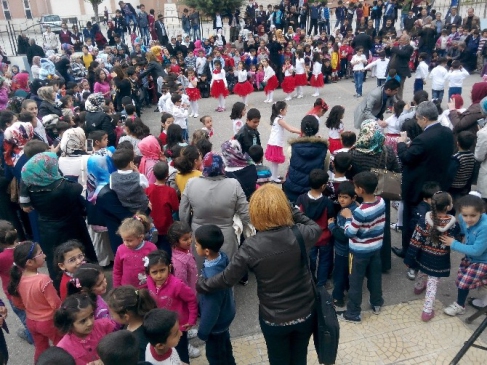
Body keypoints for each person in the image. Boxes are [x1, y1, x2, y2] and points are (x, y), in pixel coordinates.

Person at [197, 184, 320, 364]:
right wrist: (292, 210)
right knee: (300, 357)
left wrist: (202, 284)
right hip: (305, 312)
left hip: (274, 319)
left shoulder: (251, 246)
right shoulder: (300, 233)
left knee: (278, 360)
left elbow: (227, 279)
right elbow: (314, 227)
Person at [20, 152, 96, 281]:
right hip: (72, 226)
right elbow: (78, 188)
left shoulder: (30, 184)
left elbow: (25, 204)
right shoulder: (64, 186)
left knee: (56, 258)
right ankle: (88, 280)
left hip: (48, 229)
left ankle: (61, 285)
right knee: (78, 254)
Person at [394, 101, 455, 262]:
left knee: (411, 221)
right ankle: (427, 247)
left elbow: (407, 158)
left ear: (425, 118)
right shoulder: (447, 132)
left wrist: (401, 144)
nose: (418, 122)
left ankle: (408, 250)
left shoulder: (423, 139)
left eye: (418, 119)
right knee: (433, 217)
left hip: (417, 187)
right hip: (438, 183)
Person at [180, 152, 250, 270]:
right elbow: (245, 214)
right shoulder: (233, 184)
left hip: (199, 236)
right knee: (226, 273)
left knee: (201, 270)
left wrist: (187, 232)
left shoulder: (191, 183)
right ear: (222, 166)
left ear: (203, 166)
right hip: (225, 237)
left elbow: (183, 213)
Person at [349, 120, 400, 272]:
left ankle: (362, 261)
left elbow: (349, 173)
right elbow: (397, 170)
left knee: (361, 227)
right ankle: (383, 263)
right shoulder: (387, 151)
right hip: (382, 194)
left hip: (361, 195)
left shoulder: (354, 153)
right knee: (381, 226)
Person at [337, 171, 385, 323]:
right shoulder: (381, 201)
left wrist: (347, 218)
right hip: (376, 247)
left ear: (360, 190)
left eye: (355, 187)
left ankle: (353, 313)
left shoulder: (359, 212)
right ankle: (377, 303)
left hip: (359, 252)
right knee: (375, 277)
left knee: (355, 282)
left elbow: (350, 232)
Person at [404, 192, 460, 322]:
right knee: (433, 283)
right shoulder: (453, 224)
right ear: (447, 207)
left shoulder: (424, 220)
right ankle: (427, 311)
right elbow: (456, 240)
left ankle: (418, 287)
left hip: (424, 255)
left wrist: (409, 258)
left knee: (422, 271)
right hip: (440, 259)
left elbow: (415, 240)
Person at [8, 241, 62, 362]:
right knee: (62, 344)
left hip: (31, 321)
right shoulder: (43, 280)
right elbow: (55, 304)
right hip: (48, 322)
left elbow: (17, 303)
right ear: (30, 262)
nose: (44, 255)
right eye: (41, 253)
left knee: (40, 348)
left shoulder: (18, 279)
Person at [144, 250, 198, 363]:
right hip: (162, 325)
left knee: (180, 348)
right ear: (148, 272)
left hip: (179, 325)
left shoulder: (177, 285)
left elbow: (191, 300)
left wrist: (191, 320)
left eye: (162, 270)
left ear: (169, 267)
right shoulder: (149, 281)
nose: (159, 275)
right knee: (168, 347)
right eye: (154, 272)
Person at [194, 225, 236, 365]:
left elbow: (211, 309)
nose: (194, 246)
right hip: (225, 318)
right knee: (226, 351)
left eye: (196, 244)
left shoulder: (212, 280)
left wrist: (203, 332)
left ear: (206, 251)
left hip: (215, 326)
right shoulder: (222, 258)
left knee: (215, 357)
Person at [441, 194, 487, 316]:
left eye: (473, 215)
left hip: (483, 260)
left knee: (463, 282)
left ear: (481, 211)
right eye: (465, 215)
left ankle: (460, 305)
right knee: (463, 277)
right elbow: (462, 229)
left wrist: (454, 243)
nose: (468, 219)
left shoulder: (485, 227)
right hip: (471, 257)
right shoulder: (461, 217)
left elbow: (477, 250)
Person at [296, 169, 334, 288]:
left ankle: (311, 280)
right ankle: (321, 283)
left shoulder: (301, 199)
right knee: (324, 261)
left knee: (310, 260)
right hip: (324, 238)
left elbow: (297, 217)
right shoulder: (328, 202)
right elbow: (331, 219)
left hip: (308, 237)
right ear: (323, 186)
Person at [55, 293, 116, 364]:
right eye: (83, 321)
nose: (90, 323)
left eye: (91, 315)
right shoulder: (64, 348)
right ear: (70, 324)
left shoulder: (104, 325)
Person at [0, 221, 33, 344]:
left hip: (13, 293)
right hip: (30, 287)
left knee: (25, 317)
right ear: (16, 232)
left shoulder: (1, 258)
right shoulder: (27, 246)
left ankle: (31, 337)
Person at [107, 286, 157, 362]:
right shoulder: (146, 320)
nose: (111, 317)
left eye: (112, 314)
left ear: (125, 316)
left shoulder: (137, 343)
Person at [329, 181, 357, 308]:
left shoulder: (345, 213)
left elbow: (343, 236)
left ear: (353, 198)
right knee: (347, 272)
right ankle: (348, 289)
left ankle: (337, 297)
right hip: (352, 250)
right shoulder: (356, 207)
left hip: (342, 251)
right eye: (340, 196)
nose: (341, 200)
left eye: (345, 197)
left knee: (339, 274)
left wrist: (331, 226)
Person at [113, 214, 158, 288]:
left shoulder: (151, 248)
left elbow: (157, 267)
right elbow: (117, 270)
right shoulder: (120, 249)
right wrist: (117, 288)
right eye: (124, 240)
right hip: (127, 288)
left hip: (148, 287)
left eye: (129, 240)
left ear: (140, 237)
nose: (126, 243)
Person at [146, 162, 179, 254]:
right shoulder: (170, 191)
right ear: (167, 174)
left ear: (153, 173)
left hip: (151, 226)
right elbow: (176, 207)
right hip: (166, 226)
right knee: (166, 251)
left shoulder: (148, 188)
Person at [265, 101, 301, 183]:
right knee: (275, 161)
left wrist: (299, 130)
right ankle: (274, 177)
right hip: (276, 142)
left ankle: (274, 175)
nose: (287, 111)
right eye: (286, 109)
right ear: (281, 110)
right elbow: (290, 129)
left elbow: (289, 127)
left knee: (275, 161)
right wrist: (301, 132)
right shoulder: (279, 120)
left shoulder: (277, 118)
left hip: (274, 142)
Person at [449, 82, 487, 151]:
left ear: (479, 93)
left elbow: (458, 125)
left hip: (467, 147)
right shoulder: (478, 106)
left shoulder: (477, 109)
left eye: (472, 90)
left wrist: (452, 110)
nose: (470, 92)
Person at [110, 148, 149, 213]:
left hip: (124, 209)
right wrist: (137, 172)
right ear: (131, 163)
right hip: (141, 209)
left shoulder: (112, 177)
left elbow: (112, 188)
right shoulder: (139, 176)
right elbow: (146, 185)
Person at [386, 34, 414, 99]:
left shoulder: (409, 48)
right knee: (391, 86)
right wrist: (387, 48)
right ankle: (391, 101)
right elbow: (388, 54)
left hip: (401, 71)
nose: (400, 41)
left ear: (407, 41)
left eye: (402, 40)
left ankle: (398, 101)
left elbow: (403, 54)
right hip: (392, 71)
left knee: (399, 87)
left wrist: (393, 47)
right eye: (400, 40)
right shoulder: (397, 47)